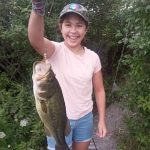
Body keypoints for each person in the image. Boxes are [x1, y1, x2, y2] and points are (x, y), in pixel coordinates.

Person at [28, 1, 107, 150]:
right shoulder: (54, 50)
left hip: (86, 118)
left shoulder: (93, 57)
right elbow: (35, 40)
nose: (73, 31)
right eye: (68, 24)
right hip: (57, 120)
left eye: (79, 25)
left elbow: (99, 90)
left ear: (86, 29)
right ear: (61, 27)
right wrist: (38, 6)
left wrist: (101, 119)